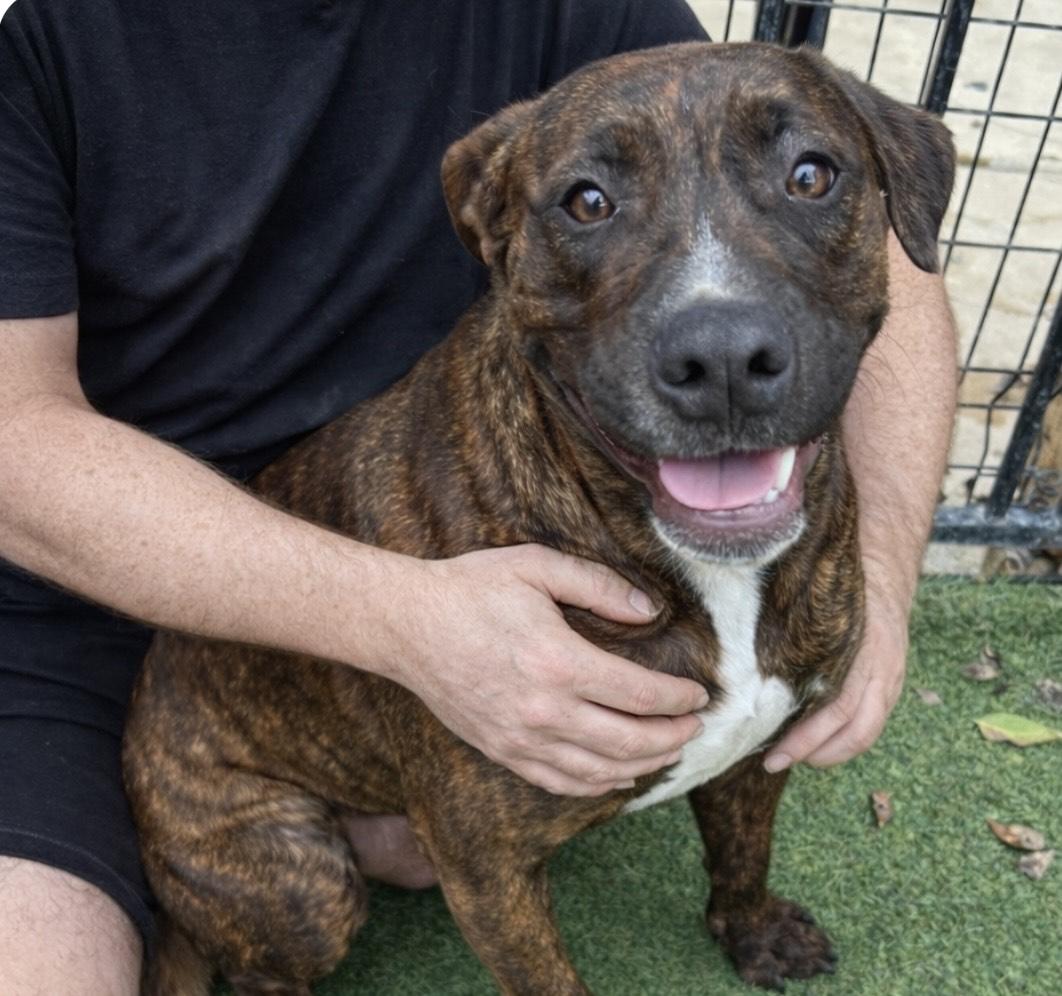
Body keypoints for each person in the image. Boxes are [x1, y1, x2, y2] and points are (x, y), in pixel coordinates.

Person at [0, 0, 956, 991]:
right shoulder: (44, 53)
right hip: (85, 593)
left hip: (442, 483)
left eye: (807, 180)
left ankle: (732, 900)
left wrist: (882, 577)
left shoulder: (576, 16)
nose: (723, 345)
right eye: (590, 201)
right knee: (277, 924)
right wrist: (410, 623)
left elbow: (829, 189)